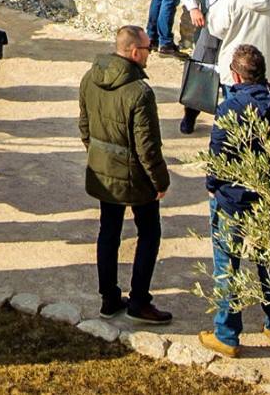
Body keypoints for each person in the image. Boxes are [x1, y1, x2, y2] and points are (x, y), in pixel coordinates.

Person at [80, 26, 173, 324]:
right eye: (147, 48)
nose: (150, 54)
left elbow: (84, 126)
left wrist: (99, 155)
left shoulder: (89, 78)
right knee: (149, 232)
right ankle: (139, 301)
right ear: (135, 52)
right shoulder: (140, 92)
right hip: (135, 177)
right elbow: (148, 146)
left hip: (103, 170)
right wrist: (160, 181)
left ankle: (109, 298)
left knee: (109, 231)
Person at [203, 45, 270, 359]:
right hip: (269, 197)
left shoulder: (231, 107)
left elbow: (217, 153)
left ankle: (227, 335)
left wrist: (212, 186)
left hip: (233, 199)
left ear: (236, 73)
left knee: (228, 266)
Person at [175, 0, 268, 133]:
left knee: (236, 72)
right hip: (212, 24)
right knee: (201, 71)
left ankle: (234, 122)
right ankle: (190, 115)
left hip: (239, 27)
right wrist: (192, 7)